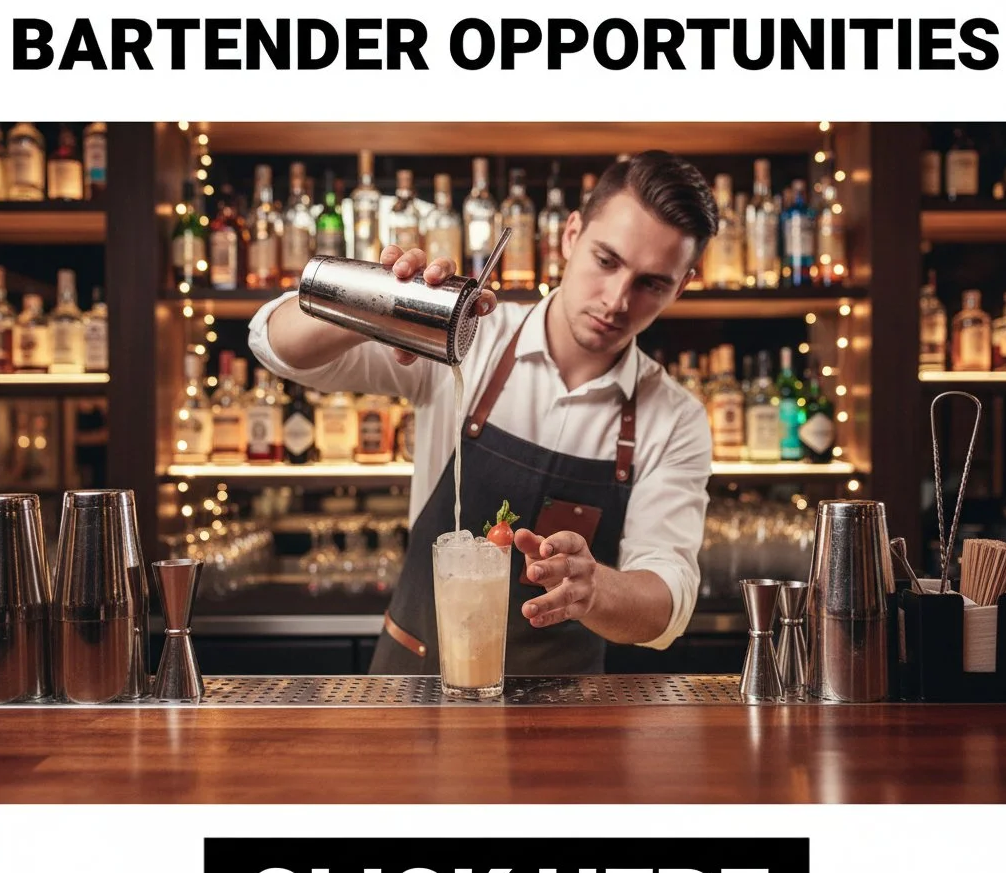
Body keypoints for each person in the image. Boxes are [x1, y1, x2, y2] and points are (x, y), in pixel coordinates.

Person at [248, 150, 717, 675]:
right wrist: (382, 299)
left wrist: (594, 589)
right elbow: (274, 344)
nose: (616, 299)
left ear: (681, 285)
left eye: (651, 283)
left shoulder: (674, 417)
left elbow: (667, 601)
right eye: (607, 261)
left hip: (564, 714)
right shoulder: (469, 334)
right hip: (415, 689)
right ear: (570, 235)